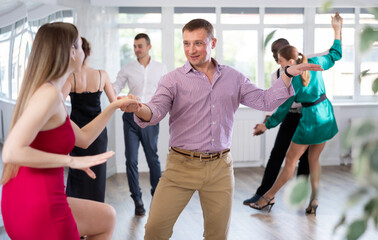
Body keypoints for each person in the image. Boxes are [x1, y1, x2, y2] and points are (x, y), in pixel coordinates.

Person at [123, 18, 323, 240]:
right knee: (154, 231)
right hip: (180, 167)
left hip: (220, 168)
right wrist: (139, 109)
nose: (191, 50)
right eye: (186, 43)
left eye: (198, 43)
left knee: (217, 236)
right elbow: (155, 111)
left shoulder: (233, 77)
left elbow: (265, 101)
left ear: (213, 42)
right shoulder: (172, 80)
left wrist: (287, 74)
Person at [1, 22, 140, 239]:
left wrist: (113, 106)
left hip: (23, 198)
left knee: (107, 216)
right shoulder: (49, 94)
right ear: (71, 51)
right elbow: (10, 151)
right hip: (39, 202)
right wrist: (71, 161)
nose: (83, 51)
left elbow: (84, 138)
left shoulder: (51, 93)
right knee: (105, 217)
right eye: (79, 45)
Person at [250, 12, 343, 215]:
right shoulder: (316, 62)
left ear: (291, 61)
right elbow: (335, 55)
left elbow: (283, 109)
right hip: (326, 116)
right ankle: (314, 200)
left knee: (290, 162)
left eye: (282, 62)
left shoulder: (292, 80)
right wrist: (337, 29)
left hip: (310, 120)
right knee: (313, 160)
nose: (281, 66)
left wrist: (267, 125)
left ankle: (267, 197)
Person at [243, 38, 311, 205]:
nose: (275, 56)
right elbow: (275, 100)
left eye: (278, 52)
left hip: (306, 117)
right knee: (276, 155)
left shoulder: (305, 71)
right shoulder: (277, 75)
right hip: (288, 116)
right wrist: (266, 121)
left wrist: (267, 124)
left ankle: (300, 196)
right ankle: (263, 193)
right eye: (273, 52)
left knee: (305, 159)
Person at [113, 33, 167, 216]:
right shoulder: (127, 68)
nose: (137, 49)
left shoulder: (161, 68)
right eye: (135, 46)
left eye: (140, 46)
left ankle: (157, 197)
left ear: (149, 47)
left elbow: (167, 92)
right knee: (131, 160)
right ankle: (137, 199)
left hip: (150, 117)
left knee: (153, 158)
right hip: (130, 119)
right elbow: (114, 89)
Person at [62, 37, 117, 203]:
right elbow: (115, 103)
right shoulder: (102, 75)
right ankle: (96, 212)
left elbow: (57, 105)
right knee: (97, 173)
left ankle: (77, 214)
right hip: (98, 132)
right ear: (90, 52)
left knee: (77, 171)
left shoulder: (71, 77)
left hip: (77, 132)